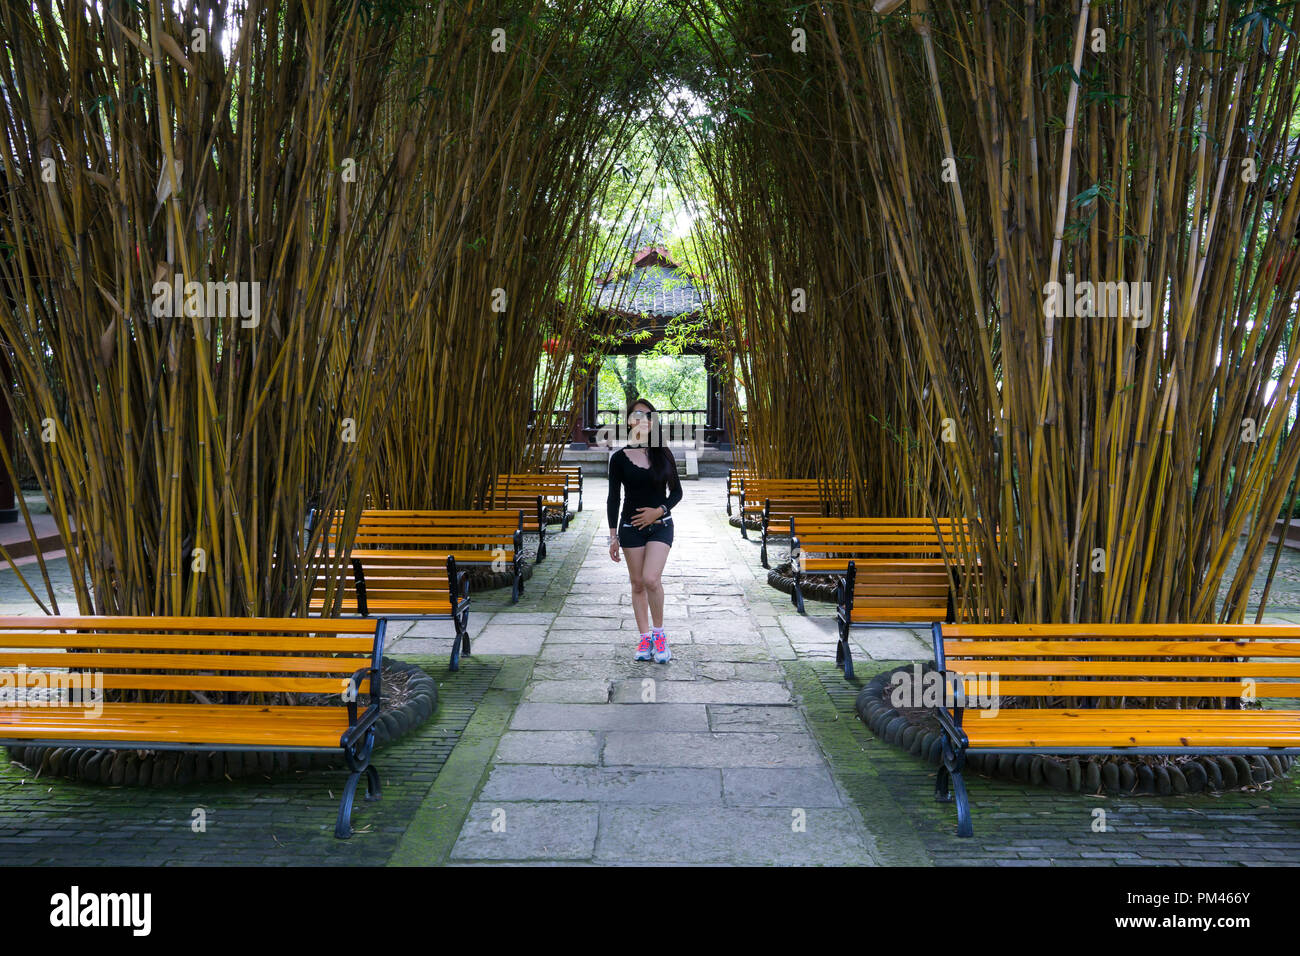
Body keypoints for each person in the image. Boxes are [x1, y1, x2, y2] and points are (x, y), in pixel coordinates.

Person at [606, 397, 683, 663]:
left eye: (649, 416)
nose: (643, 419)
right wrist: (613, 536)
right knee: (637, 584)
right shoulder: (618, 458)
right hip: (630, 528)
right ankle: (644, 637)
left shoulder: (663, 453)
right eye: (638, 414)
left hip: (661, 526)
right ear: (629, 420)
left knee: (651, 579)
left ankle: (660, 635)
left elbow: (677, 493)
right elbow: (613, 498)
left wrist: (658, 512)